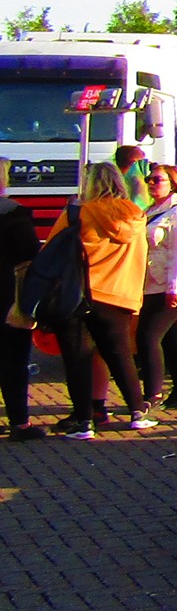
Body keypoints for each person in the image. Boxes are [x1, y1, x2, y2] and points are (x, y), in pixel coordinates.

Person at [46, 162, 154, 437]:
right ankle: (137, 411)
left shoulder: (77, 213)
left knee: (77, 358)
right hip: (119, 294)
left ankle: (84, 421)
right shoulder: (137, 215)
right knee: (120, 355)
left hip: (77, 294)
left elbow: (51, 250)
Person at [138, 165, 177, 409]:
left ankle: (152, 395)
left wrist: (174, 288)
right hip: (152, 283)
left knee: (148, 336)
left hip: (175, 283)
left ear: (172, 184)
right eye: (149, 179)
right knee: (169, 337)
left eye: (157, 179)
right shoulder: (151, 210)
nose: (151, 183)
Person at [0, 160, 46, 439]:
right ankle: (19, 423)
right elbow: (30, 257)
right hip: (8, 296)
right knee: (14, 360)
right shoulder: (14, 213)